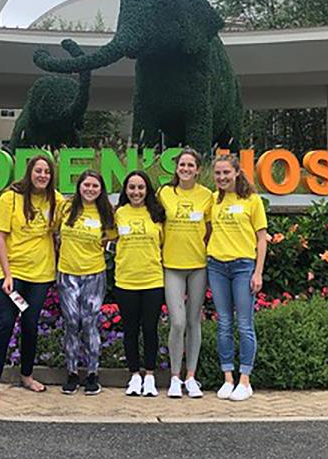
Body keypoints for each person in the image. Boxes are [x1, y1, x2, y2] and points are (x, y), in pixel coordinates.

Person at [0, 155, 61, 404]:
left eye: (47, 171)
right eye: (38, 170)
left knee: (31, 324)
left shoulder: (55, 199)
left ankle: (27, 375)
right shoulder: (10, 198)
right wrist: (7, 274)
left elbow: (73, 218)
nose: (42, 175)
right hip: (13, 275)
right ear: (29, 172)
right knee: (6, 323)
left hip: (41, 274)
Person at [207, 154, 267, 402]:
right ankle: (227, 378)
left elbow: (262, 238)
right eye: (218, 173)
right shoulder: (212, 199)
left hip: (243, 266)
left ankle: (245, 380)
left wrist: (258, 271)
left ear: (237, 173)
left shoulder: (252, 200)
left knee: (244, 324)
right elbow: (207, 231)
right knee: (223, 324)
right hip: (216, 266)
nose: (222, 177)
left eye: (226, 173)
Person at [157, 148, 213, 398]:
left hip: (198, 265)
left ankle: (191, 377)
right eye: (182, 165)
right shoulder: (164, 193)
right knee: (177, 322)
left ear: (198, 169)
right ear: (176, 168)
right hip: (172, 265)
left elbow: (210, 228)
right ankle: (175, 377)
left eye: (191, 165)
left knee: (193, 322)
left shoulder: (208, 196)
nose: (186, 169)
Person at [57, 170, 116, 396]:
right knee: (72, 322)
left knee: (90, 322)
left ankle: (92, 373)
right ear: (79, 186)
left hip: (94, 274)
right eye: (86, 185)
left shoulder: (106, 213)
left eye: (95, 186)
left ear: (101, 190)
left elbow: (111, 237)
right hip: (67, 274)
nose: (90, 189)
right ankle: (72, 372)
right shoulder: (66, 208)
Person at [114, 170, 166, 397]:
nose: (136, 192)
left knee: (150, 329)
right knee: (130, 330)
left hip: (152, 280)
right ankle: (134, 375)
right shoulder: (118, 214)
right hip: (125, 281)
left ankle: (150, 376)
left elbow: (164, 243)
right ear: (126, 190)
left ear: (147, 190)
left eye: (141, 188)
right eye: (132, 188)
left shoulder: (157, 214)